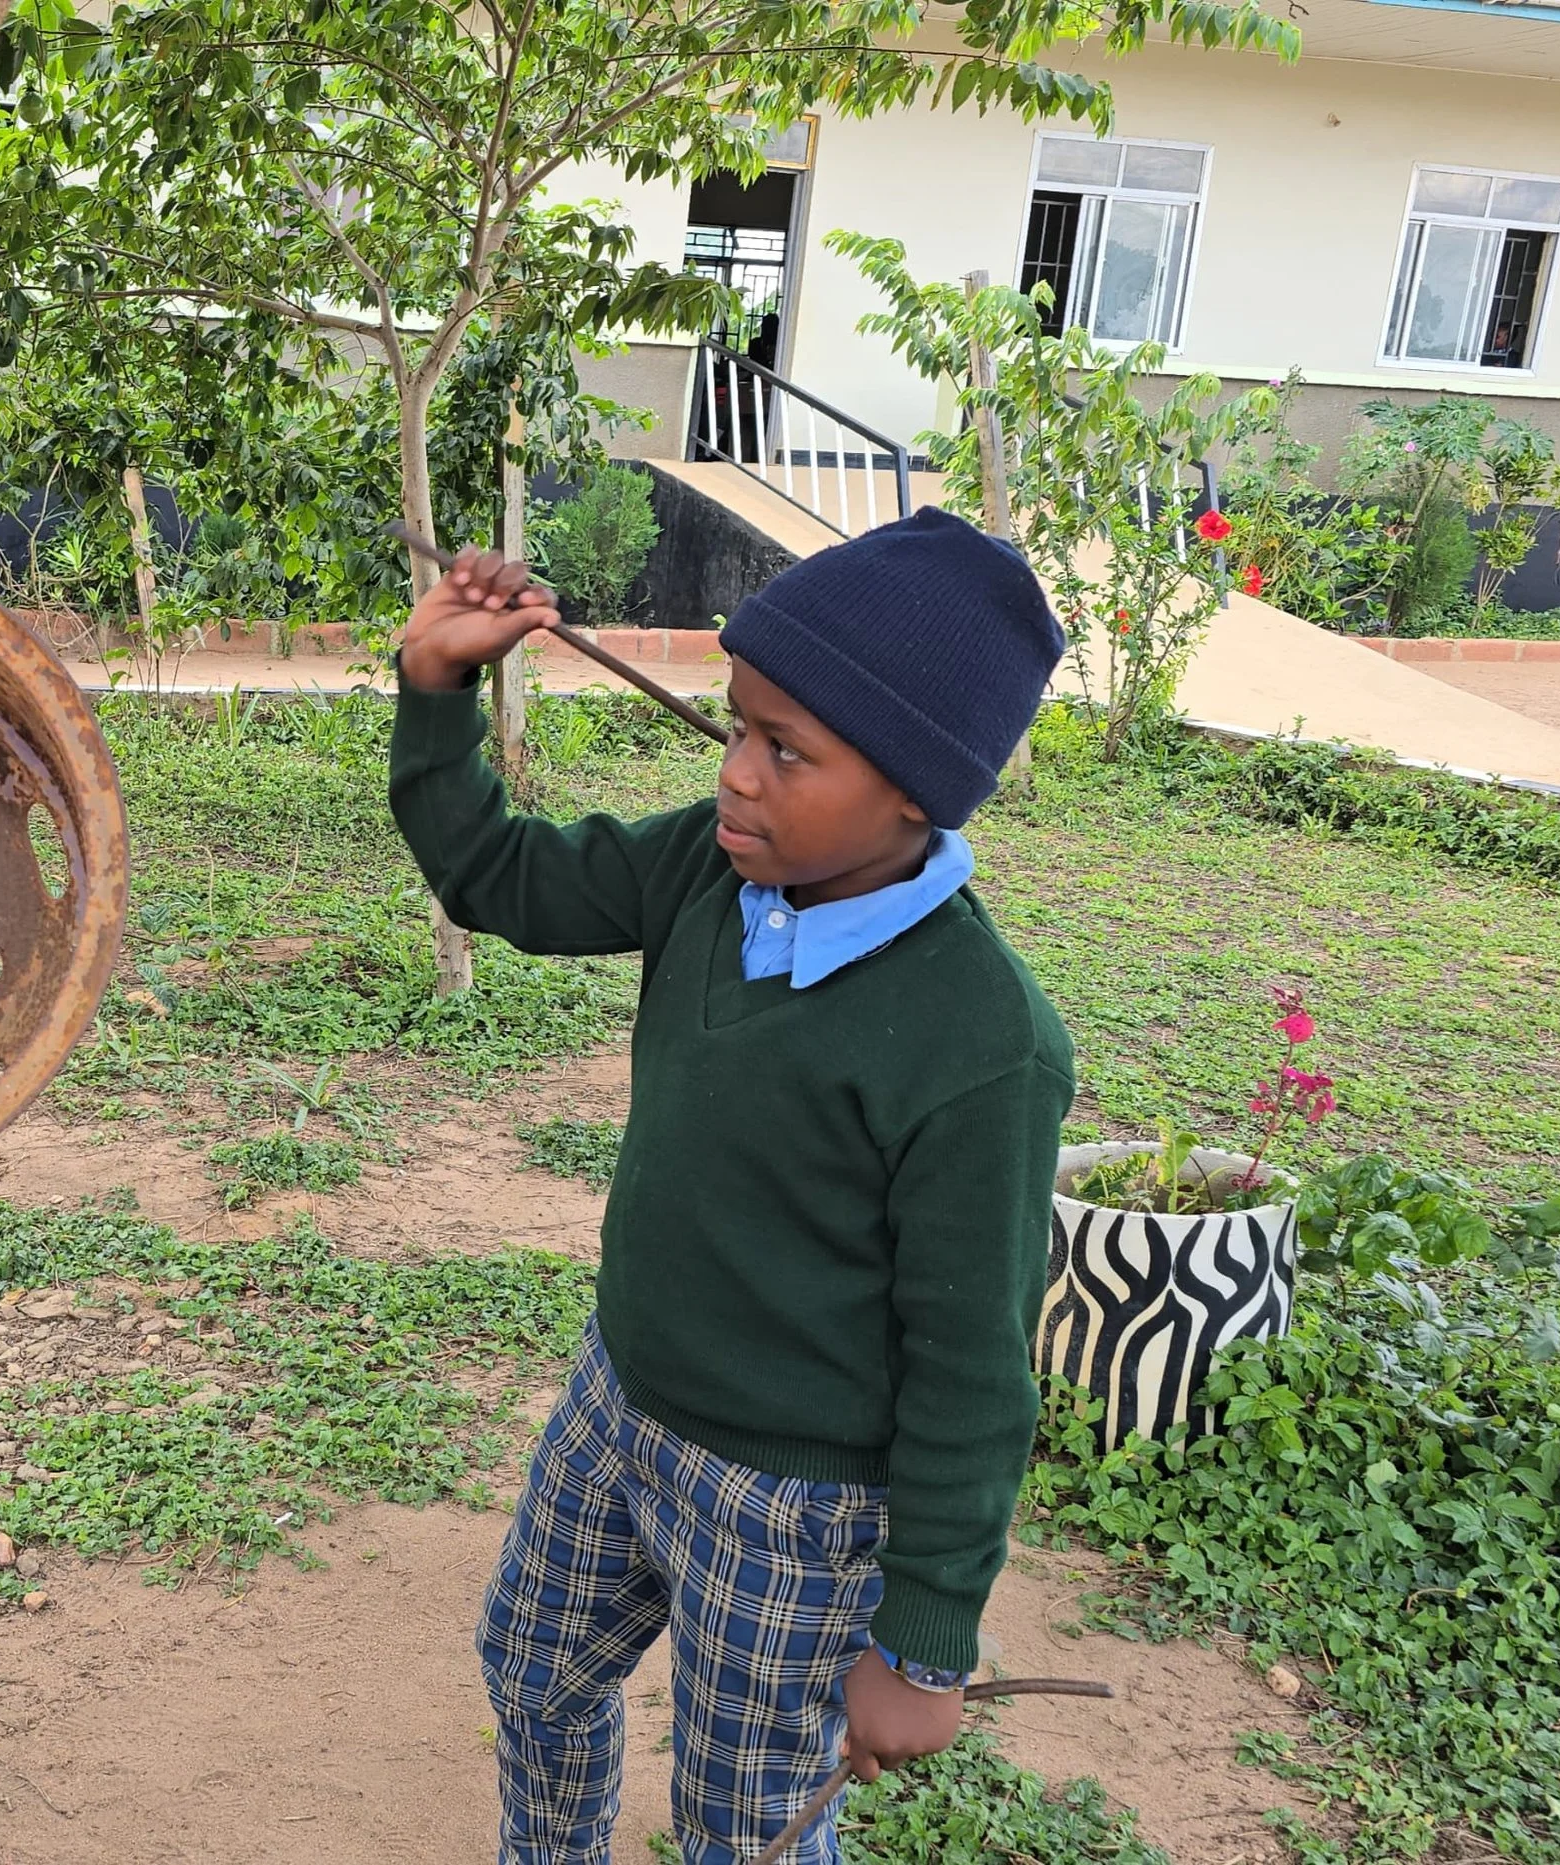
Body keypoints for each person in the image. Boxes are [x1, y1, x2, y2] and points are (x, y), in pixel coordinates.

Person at [390, 507, 1075, 1865]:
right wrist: (437, 690)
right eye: (735, 727)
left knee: (739, 1819)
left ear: (916, 794)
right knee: (531, 1669)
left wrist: (925, 1639)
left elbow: (972, 1366)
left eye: (786, 751)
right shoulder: (708, 875)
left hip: (794, 1510)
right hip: (621, 1397)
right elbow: (494, 876)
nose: (737, 780)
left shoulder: (981, 1046)